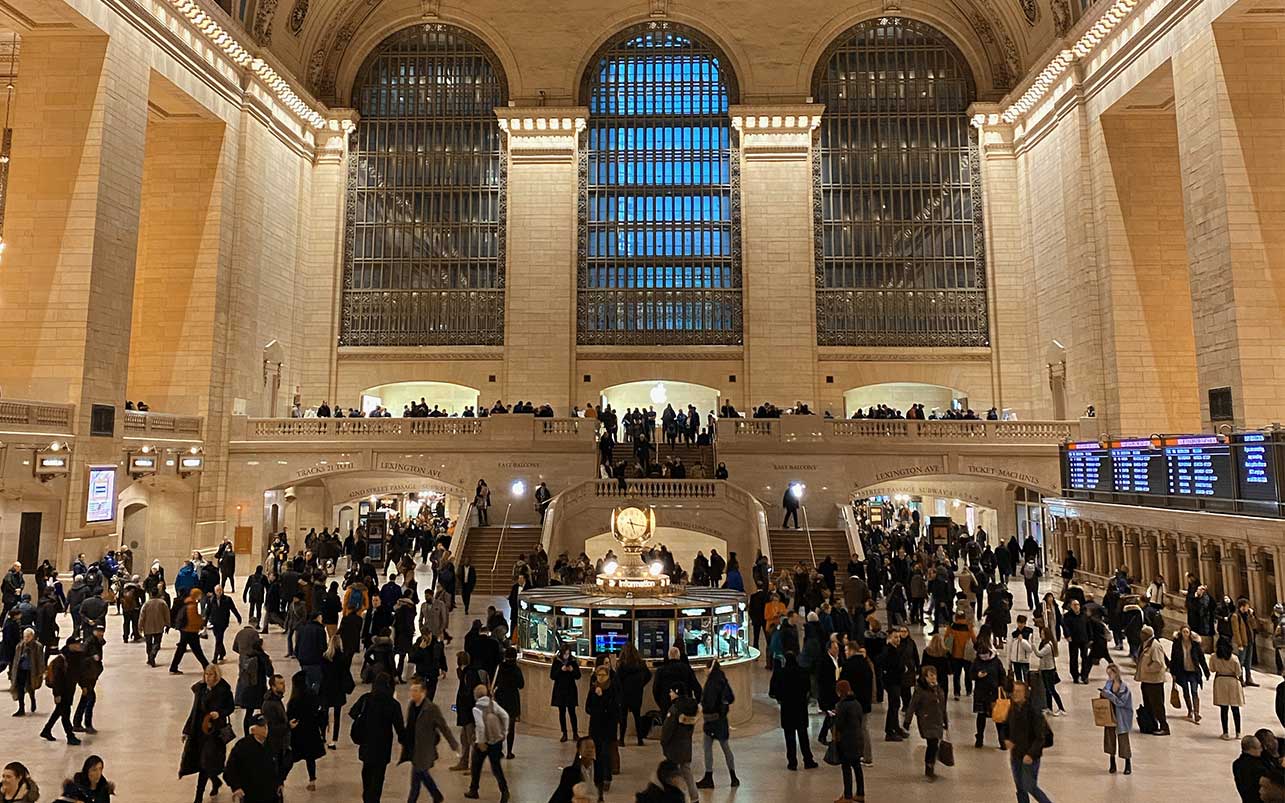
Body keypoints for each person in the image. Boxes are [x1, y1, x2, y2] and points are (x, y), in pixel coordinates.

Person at [180, 663, 235, 803]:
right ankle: (214, 782)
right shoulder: (201, 690)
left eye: (211, 675)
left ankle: (199, 796)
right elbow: (194, 711)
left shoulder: (224, 690)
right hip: (200, 731)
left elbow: (230, 707)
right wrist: (186, 730)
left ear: (217, 676)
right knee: (203, 763)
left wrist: (219, 713)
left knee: (206, 763)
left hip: (215, 733)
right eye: (206, 674)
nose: (208, 677)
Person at [400, 674, 458, 803]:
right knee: (421, 774)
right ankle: (436, 795)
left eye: (416, 691)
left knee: (416, 779)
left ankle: (416, 799)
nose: (412, 693)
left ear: (423, 692)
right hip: (415, 747)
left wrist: (453, 744)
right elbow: (409, 726)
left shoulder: (431, 709)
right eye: (412, 690)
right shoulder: (411, 706)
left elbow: (443, 727)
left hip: (425, 748)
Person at [350, 672, 406, 803]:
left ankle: (367, 799)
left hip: (366, 745)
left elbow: (353, 713)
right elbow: (400, 729)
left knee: (367, 775)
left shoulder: (365, 699)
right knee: (378, 779)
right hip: (383, 747)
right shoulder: (393, 704)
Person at [1005, 681, 1053, 803]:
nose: (1015, 694)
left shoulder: (1034, 711)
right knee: (1020, 788)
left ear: (1025, 693)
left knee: (1030, 787)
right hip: (1016, 754)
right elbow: (1006, 727)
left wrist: (1031, 754)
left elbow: (1040, 737)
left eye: (1019, 691)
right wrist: (1006, 739)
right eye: (1014, 691)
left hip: (1030, 756)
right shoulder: (1013, 708)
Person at [769, 651, 817, 770]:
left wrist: (780, 699)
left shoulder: (781, 674)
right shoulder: (803, 672)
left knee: (789, 737)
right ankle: (808, 760)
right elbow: (808, 689)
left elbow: (773, 692)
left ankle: (792, 762)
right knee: (803, 735)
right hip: (800, 708)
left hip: (787, 709)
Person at [465, 683, 511, 802]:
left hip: (484, 742)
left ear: (475, 696)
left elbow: (480, 726)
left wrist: (480, 742)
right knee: (496, 768)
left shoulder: (476, 709)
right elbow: (505, 716)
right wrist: (504, 733)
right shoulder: (493, 704)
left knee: (476, 764)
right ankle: (504, 791)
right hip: (496, 740)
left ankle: (473, 789)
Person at [697, 659, 738, 788]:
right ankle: (733, 776)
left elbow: (708, 702)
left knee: (707, 747)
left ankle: (708, 777)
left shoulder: (712, 683)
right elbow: (731, 697)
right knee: (725, 747)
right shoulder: (722, 679)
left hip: (711, 721)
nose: (704, 670)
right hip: (722, 720)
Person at [903, 665, 949, 777]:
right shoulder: (920, 691)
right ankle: (929, 767)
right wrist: (907, 721)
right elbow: (912, 705)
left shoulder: (938, 689)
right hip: (926, 720)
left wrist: (945, 720)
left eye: (935, 675)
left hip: (937, 720)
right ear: (925, 677)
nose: (933, 678)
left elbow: (943, 706)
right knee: (932, 743)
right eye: (931, 676)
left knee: (934, 744)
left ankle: (930, 764)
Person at [224, 715, 280, 803]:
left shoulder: (273, 743)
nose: (266, 728)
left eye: (266, 725)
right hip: (250, 793)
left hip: (271, 793)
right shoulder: (242, 746)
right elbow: (230, 769)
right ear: (253, 730)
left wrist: (280, 781)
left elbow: (282, 762)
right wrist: (236, 787)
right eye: (262, 726)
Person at [287, 669, 327, 791]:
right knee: (310, 758)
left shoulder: (294, 700)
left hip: (298, 732)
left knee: (290, 758)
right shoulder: (312, 695)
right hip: (311, 731)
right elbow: (319, 712)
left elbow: (289, 715)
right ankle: (312, 780)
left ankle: (281, 779)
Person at [584, 663, 619, 799]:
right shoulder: (593, 690)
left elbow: (614, 708)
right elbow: (588, 708)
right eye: (599, 675)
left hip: (608, 726)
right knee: (597, 754)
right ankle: (598, 779)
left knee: (606, 753)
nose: (601, 677)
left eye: (603, 675)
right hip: (596, 727)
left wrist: (602, 697)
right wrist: (597, 697)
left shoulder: (612, 689)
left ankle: (607, 778)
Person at [660, 685, 700, 801]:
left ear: (677, 693)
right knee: (687, 773)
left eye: (671, 692)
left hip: (674, 747)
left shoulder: (674, 710)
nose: (669, 694)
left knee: (671, 775)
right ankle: (695, 797)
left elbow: (667, 730)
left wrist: (663, 742)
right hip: (686, 745)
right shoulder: (692, 708)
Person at [41, 640, 82, 744]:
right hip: (62, 691)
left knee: (59, 711)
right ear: (70, 645)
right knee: (65, 714)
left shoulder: (75, 657)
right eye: (77, 644)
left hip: (69, 690)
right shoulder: (62, 659)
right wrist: (57, 694)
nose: (79, 646)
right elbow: (57, 680)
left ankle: (46, 730)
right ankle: (70, 736)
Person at [833, 679, 867, 802]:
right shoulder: (856, 703)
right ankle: (860, 793)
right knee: (857, 767)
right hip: (858, 739)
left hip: (847, 741)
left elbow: (840, 724)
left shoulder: (843, 705)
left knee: (846, 768)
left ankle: (847, 796)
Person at [1134, 625, 1170, 735]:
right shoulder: (1145, 644)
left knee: (1157, 704)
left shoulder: (1155, 646)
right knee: (1148, 704)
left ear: (1147, 635)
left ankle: (1164, 727)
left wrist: (1146, 668)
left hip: (1154, 681)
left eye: (1142, 633)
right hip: (1146, 680)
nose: (1140, 635)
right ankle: (1151, 725)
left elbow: (1159, 664)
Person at [1170, 624, 1209, 724]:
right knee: (1186, 691)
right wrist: (1173, 672)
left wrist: (1206, 671)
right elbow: (1173, 658)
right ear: (1181, 633)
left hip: (1193, 672)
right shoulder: (1177, 644)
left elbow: (1201, 658)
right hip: (1182, 671)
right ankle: (1190, 710)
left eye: (1187, 632)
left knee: (1194, 691)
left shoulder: (1195, 644)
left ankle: (1196, 712)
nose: (1185, 634)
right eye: (1183, 632)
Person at [1100, 663, 1133, 775]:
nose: (1109, 676)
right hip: (1110, 716)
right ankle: (1112, 762)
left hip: (1121, 717)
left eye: (1110, 674)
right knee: (1110, 740)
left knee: (1123, 740)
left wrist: (1109, 695)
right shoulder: (1108, 685)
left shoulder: (1124, 688)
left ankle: (1127, 763)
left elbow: (1122, 702)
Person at [616, 642, 652, 746]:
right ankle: (640, 739)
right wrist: (641, 685)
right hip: (637, 694)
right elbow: (648, 675)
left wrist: (621, 690)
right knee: (637, 717)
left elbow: (617, 680)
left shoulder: (622, 665)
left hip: (624, 695)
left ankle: (622, 739)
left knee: (623, 718)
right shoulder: (640, 664)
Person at [494, 646, 525, 759]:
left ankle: (499, 750)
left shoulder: (500, 667)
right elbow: (521, 685)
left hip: (501, 698)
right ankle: (509, 752)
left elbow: (495, 682)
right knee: (511, 727)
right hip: (512, 698)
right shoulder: (516, 669)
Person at [1213, 638, 1246, 740]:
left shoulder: (1214, 657)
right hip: (1232, 681)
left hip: (1220, 681)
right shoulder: (1234, 658)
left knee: (1224, 708)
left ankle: (1225, 732)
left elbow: (1212, 669)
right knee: (1235, 708)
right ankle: (1238, 732)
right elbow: (1238, 672)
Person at [170, 588, 210, 674]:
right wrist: (201, 622)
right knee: (197, 650)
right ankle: (207, 666)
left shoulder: (189, 603)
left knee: (182, 649)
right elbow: (193, 619)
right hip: (190, 631)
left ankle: (173, 667)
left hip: (186, 631)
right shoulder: (192, 606)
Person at [548, 737, 596, 803]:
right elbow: (563, 796)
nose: (590, 750)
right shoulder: (569, 772)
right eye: (586, 747)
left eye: (592, 747)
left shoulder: (598, 767)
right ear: (579, 750)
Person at [8, 627, 43, 715]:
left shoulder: (37, 646)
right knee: (20, 689)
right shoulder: (20, 646)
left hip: (31, 671)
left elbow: (40, 660)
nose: (26, 638)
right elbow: (16, 659)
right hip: (21, 670)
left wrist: (41, 672)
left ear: (32, 636)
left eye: (28, 636)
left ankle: (32, 700)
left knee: (30, 687)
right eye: (25, 636)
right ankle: (21, 708)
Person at [551, 644, 582, 742]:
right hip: (560, 690)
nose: (567, 656)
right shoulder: (557, 662)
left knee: (572, 712)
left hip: (570, 690)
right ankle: (564, 733)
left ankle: (575, 733)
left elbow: (578, 676)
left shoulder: (573, 662)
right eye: (565, 654)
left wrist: (572, 670)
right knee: (562, 712)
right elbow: (552, 676)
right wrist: (561, 670)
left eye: (568, 654)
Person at [206, 584, 242, 664]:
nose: (219, 592)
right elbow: (208, 612)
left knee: (219, 639)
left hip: (223, 622)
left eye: (220, 590)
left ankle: (215, 657)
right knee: (218, 638)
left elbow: (233, 609)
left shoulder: (227, 599)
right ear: (215, 591)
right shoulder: (211, 600)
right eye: (217, 591)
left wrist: (238, 617)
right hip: (214, 622)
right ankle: (222, 652)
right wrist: (205, 623)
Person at [1035, 626, 1065, 716]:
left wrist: (1033, 646)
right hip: (1044, 669)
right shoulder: (1043, 643)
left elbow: (1039, 654)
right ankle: (1049, 708)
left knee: (1052, 689)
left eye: (1043, 633)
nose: (1041, 635)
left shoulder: (1048, 645)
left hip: (1049, 670)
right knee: (1047, 690)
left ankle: (1061, 708)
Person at [1233, 734, 1269, 803]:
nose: (1261, 750)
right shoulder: (1257, 766)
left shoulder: (1236, 764)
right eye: (1259, 747)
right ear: (1251, 749)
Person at [140, 590, 170, 667]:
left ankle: (150, 657)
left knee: (148, 643)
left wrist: (140, 626)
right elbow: (167, 615)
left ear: (150, 594)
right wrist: (167, 625)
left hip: (148, 627)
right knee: (157, 643)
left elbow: (142, 616)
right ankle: (153, 654)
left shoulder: (146, 604)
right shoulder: (162, 603)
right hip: (159, 626)